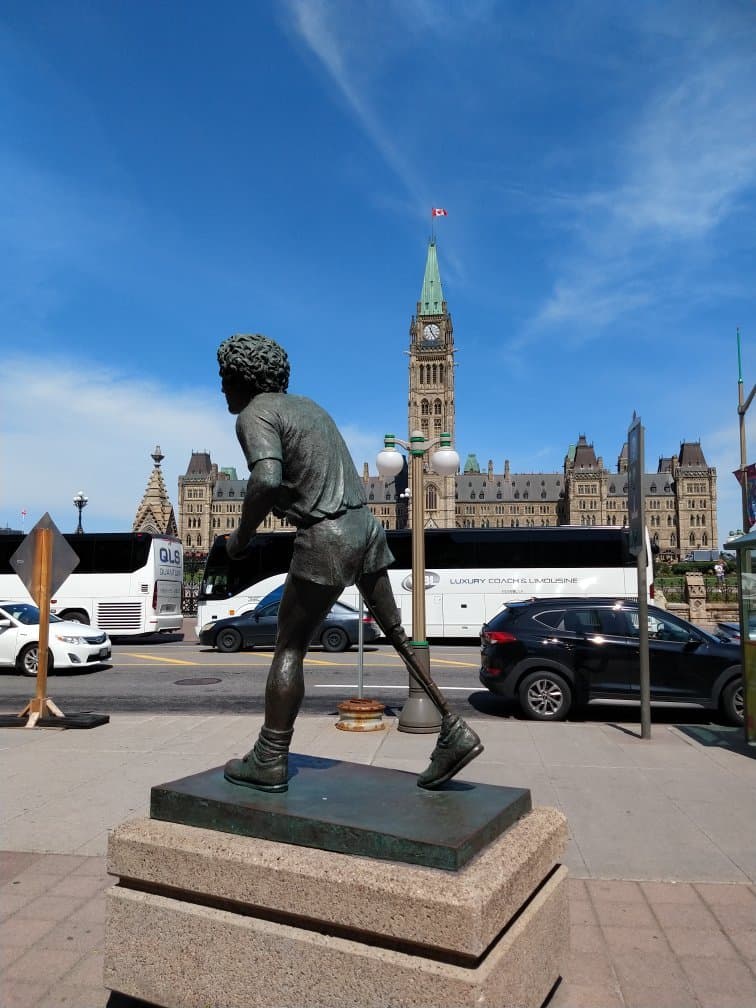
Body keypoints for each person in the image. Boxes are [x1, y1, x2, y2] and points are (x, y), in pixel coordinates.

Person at [217, 332, 483, 793]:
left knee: (289, 647)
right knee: (398, 635)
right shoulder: (312, 409)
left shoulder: (255, 413)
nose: (223, 389)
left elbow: (266, 476)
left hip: (327, 536)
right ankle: (454, 729)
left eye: (225, 378)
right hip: (366, 529)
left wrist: (241, 535)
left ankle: (270, 757)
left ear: (243, 377)